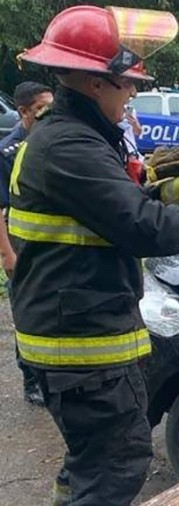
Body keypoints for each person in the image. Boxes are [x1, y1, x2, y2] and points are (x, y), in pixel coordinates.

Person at [12, 6, 179, 505]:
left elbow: (121, 204)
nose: (132, 93)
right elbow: (142, 228)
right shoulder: (69, 145)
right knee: (116, 465)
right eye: (127, 83)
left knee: (88, 465)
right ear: (96, 83)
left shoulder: (75, 134)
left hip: (77, 331)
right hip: (82, 345)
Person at [0, 81, 54, 406]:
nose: (48, 114)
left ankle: (51, 373)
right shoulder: (8, 152)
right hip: (19, 244)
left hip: (47, 244)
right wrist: (7, 254)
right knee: (27, 310)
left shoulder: (53, 143)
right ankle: (31, 378)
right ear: (23, 112)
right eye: (41, 109)